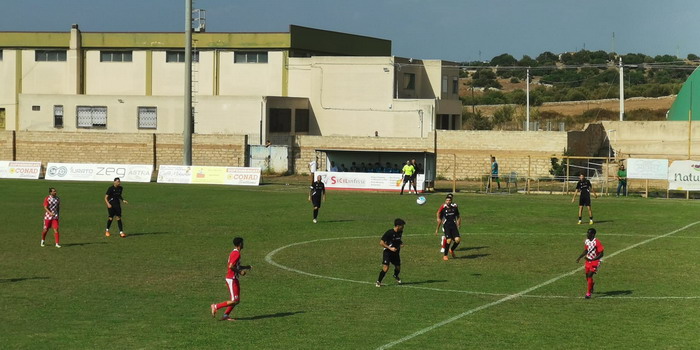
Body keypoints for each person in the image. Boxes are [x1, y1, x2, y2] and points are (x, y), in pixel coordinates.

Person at [211, 237, 252, 321]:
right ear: (240, 244)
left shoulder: (234, 252)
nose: (243, 244)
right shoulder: (236, 254)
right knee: (234, 300)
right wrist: (240, 272)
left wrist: (245, 267)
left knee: (236, 300)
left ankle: (226, 315)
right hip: (231, 279)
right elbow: (231, 266)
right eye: (242, 243)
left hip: (234, 279)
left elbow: (235, 265)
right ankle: (216, 306)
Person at [376, 218, 405, 287]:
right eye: (402, 226)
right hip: (388, 252)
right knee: (386, 267)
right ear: (398, 226)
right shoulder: (389, 233)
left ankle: (395, 275)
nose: (403, 227)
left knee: (398, 267)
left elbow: (398, 240)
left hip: (396, 253)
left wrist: (401, 243)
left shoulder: (400, 232)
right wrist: (390, 248)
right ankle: (378, 282)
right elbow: (381, 243)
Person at [576, 228, 604, 299]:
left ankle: (588, 294)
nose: (587, 234)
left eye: (589, 233)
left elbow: (601, 254)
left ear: (593, 234)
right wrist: (579, 257)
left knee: (589, 275)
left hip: (595, 261)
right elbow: (586, 250)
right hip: (588, 261)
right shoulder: (587, 241)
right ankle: (591, 284)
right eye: (587, 233)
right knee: (587, 276)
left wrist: (593, 259)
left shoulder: (597, 242)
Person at [435, 194, 461, 260]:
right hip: (446, 225)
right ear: (445, 201)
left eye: (449, 200)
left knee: (458, 240)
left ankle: (451, 250)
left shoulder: (454, 208)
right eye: (447, 200)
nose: (448, 201)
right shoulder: (443, 208)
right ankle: (445, 255)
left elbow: (458, 216)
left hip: (453, 225)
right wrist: (437, 229)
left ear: (451, 201)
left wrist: (458, 224)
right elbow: (440, 218)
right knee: (448, 240)